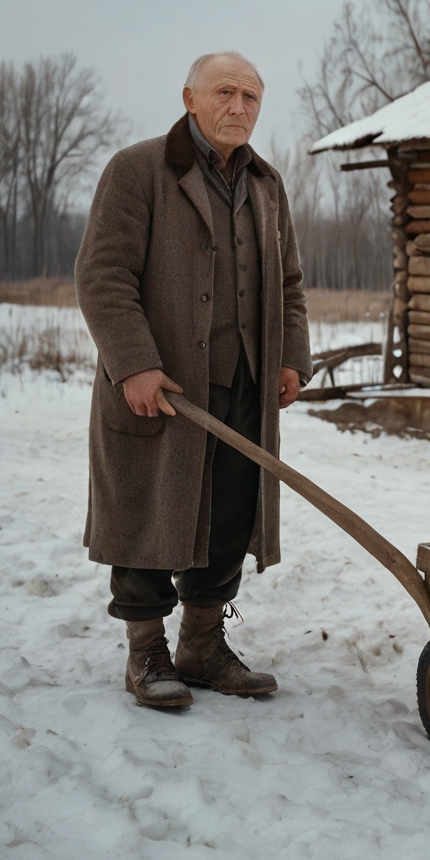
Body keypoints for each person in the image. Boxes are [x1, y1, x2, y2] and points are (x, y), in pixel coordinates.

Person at [75, 52, 311, 709]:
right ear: (190, 98)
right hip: (162, 383)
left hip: (244, 383)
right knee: (151, 507)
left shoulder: (266, 185)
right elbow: (103, 274)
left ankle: (202, 644)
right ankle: (146, 650)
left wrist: (291, 356)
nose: (240, 107)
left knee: (230, 514)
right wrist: (135, 363)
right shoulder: (139, 170)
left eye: (252, 97)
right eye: (226, 93)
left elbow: (289, 281)